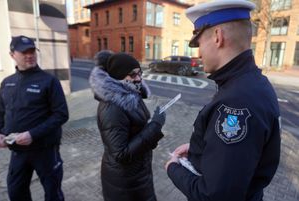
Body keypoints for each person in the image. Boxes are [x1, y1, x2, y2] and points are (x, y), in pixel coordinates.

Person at [165, 1, 281, 201]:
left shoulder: (237, 102)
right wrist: (199, 149)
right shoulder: (251, 83)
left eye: (199, 43)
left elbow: (216, 196)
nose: (198, 53)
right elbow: (242, 157)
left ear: (217, 37)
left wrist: (173, 169)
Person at [0, 35, 69, 201]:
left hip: (45, 150)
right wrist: (0, 132)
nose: (29, 55)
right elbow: (1, 112)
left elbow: (61, 114)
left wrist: (32, 134)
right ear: (12, 55)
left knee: (53, 193)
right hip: (18, 150)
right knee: (16, 191)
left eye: (32, 51)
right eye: (24, 52)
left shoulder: (49, 81)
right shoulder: (7, 82)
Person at [89, 53, 166, 201]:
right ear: (118, 77)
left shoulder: (131, 93)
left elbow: (137, 131)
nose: (138, 78)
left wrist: (152, 127)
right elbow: (120, 154)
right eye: (132, 74)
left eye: (139, 73)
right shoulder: (112, 107)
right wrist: (155, 126)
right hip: (124, 183)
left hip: (137, 174)